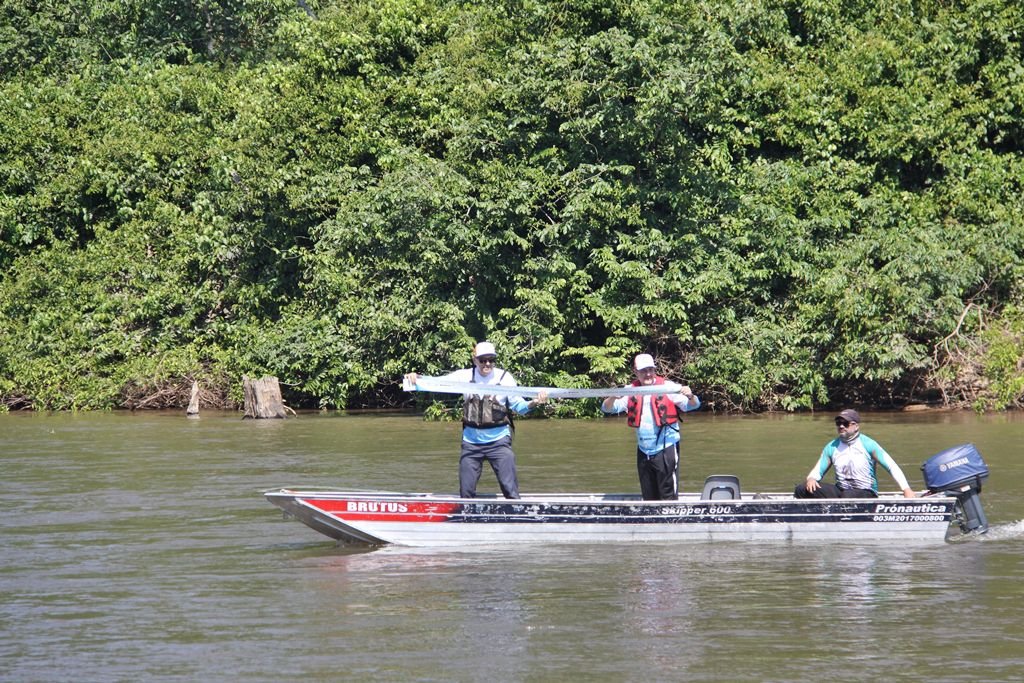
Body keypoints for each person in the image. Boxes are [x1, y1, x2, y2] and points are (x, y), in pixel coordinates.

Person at [404, 341, 546, 499]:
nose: (487, 364)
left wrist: (534, 402)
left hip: (499, 442)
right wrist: (417, 378)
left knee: (510, 489)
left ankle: (518, 514)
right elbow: (438, 382)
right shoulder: (464, 376)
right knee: (466, 492)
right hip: (471, 443)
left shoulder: (505, 378)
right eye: (483, 360)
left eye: (491, 360)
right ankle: (467, 518)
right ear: (475, 360)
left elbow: (520, 407)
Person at [600, 353, 701, 500]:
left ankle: (671, 520)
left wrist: (691, 396)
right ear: (635, 372)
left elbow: (692, 406)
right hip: (643, 449)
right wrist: (613, 396)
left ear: (654, 370)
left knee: (667, 494)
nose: (648, 374)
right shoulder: (629, 391)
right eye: (643, 371)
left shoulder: (668, 388)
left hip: (666, 447)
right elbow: (607, 408)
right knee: (648, 496)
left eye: (650, 370)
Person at [795, 409, 916, 499]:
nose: (841, 426)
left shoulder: (869, 445)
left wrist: (906, 490)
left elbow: (892, 466)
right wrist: (811, 478)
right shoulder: (831, 447)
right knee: (801, 489)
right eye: (838, 423)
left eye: (845, 423)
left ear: (856, 426)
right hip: (841, 491)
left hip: (866, 492)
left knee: (848, 496)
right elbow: (818, 470)